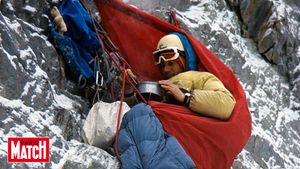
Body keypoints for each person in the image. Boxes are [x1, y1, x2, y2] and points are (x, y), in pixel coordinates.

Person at [124, 33, 236, 120]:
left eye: (171, 63)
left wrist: (185, 97)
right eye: (162, 65)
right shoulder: (159, 86)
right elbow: (133, 112)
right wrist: (128, 90)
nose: (165, 69)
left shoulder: (202, 78)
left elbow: (226, 103)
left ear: (184, 60)